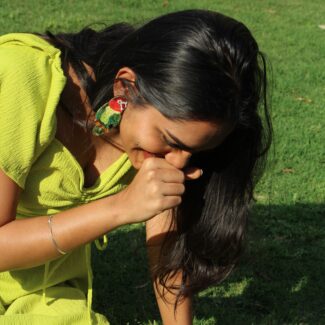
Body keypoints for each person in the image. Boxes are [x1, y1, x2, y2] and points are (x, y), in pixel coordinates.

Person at [0, 9, 272, 325]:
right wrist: (119, 208)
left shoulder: (157, 141)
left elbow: (167, 250)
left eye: (194, 151)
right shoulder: (21, 81)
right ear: (125, 87)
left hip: (44, 292)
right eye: (171, 140)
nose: (179, 162)